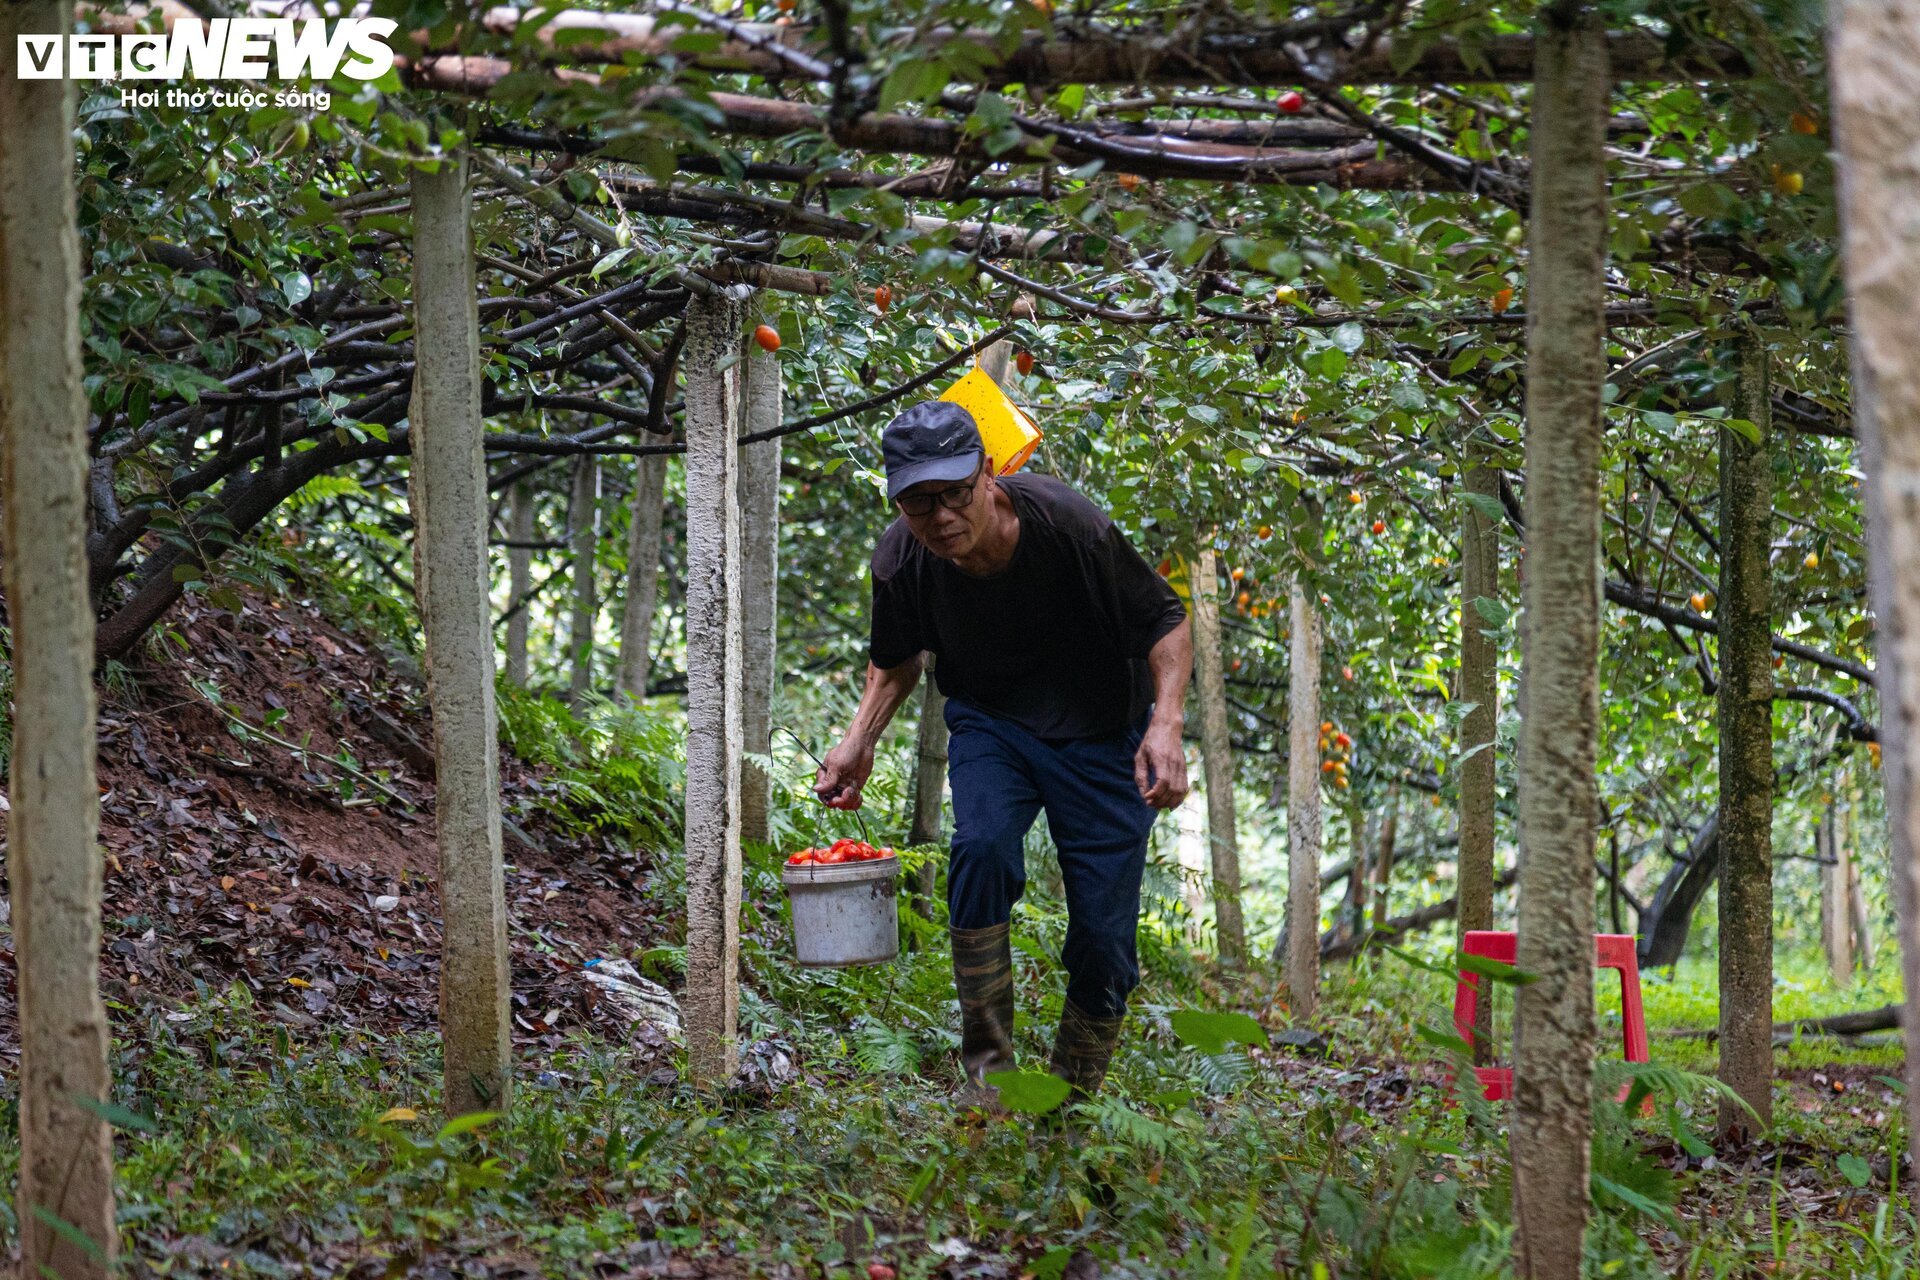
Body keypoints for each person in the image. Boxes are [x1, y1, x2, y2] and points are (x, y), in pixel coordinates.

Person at [813, 398, 1192, 1106]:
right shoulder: (903, 562)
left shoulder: (1068, 526)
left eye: (955, 494)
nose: (942, 518)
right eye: (918, 504)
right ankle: (987, 1077)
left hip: (1102, 733)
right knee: (981, 849)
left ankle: (1068, 1104)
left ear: (988, 474)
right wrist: (857, 740)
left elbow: (1165, 620)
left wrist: (1165, 724)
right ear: (897, 502)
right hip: (993, 724)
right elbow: (895, 661)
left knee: (1104, 945)